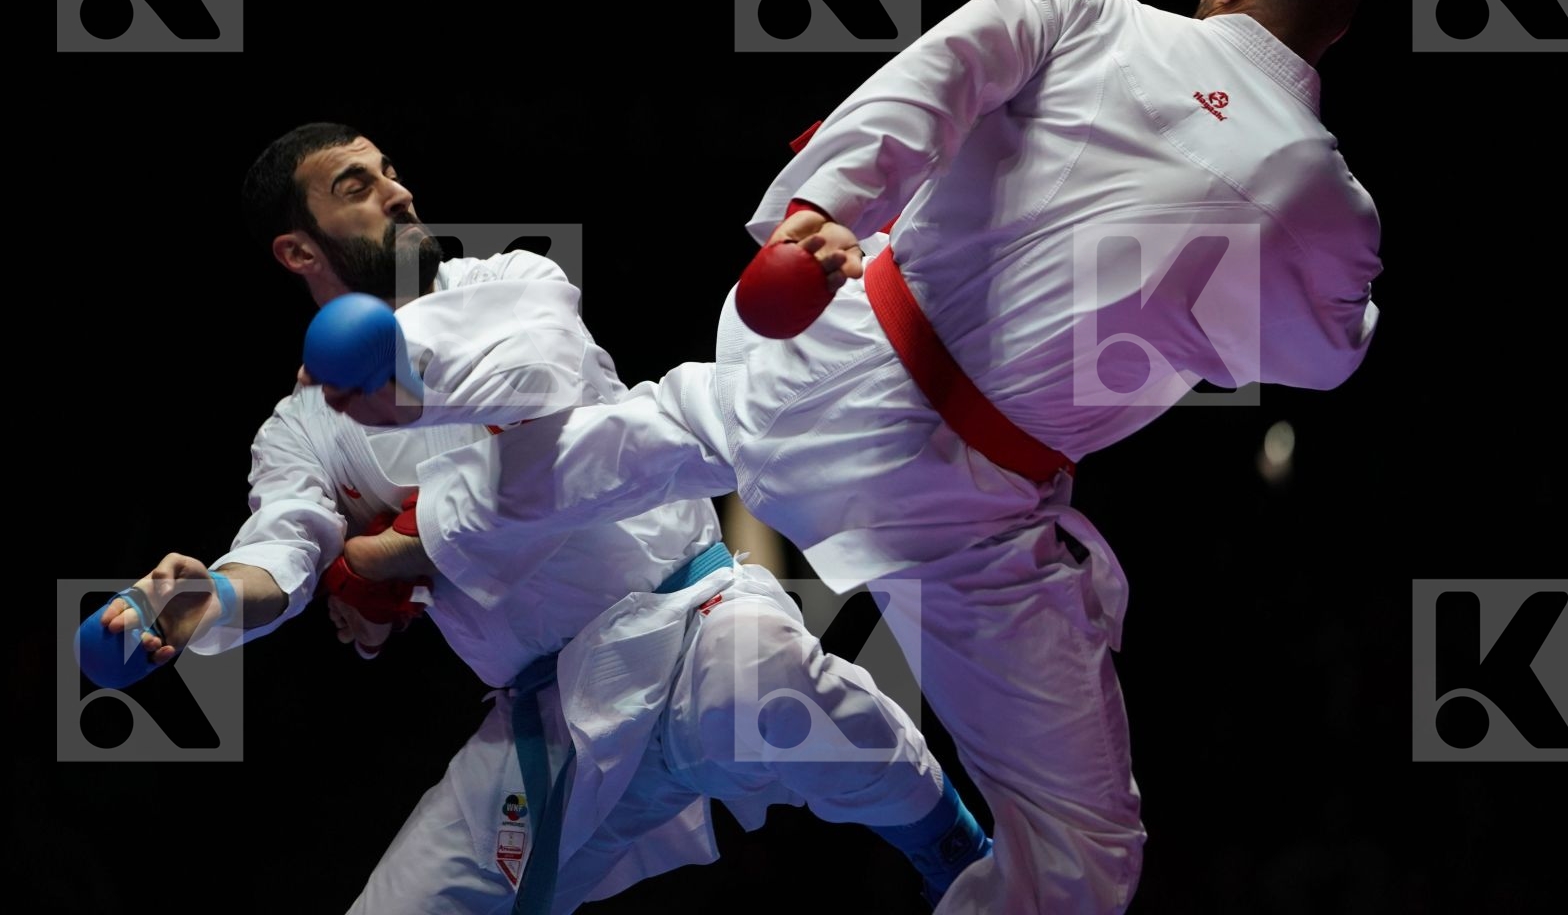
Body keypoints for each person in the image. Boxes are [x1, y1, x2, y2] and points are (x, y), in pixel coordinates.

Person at [351, 0, 1390, 913]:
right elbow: (1323, 357)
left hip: (830, 367)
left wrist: (825, 203)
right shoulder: (1327, 205)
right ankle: (408, 523)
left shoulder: (1080, 14)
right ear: (1338, 26)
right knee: (1079, 851)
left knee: (638, 436)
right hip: (966, 506)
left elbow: (940, 79)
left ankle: (403, 513)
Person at [99, 122, 993, 914]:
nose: (397, 191)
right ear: (298, 251)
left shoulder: (512, 279)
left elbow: (538, 376)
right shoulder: (300, 427)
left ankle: (957, 852)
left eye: (389, 170)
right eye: (356, 186)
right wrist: (206, 600)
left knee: (766, 677)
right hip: (547, 716)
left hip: (689, 620)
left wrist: (399, 541)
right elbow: (286, 548)